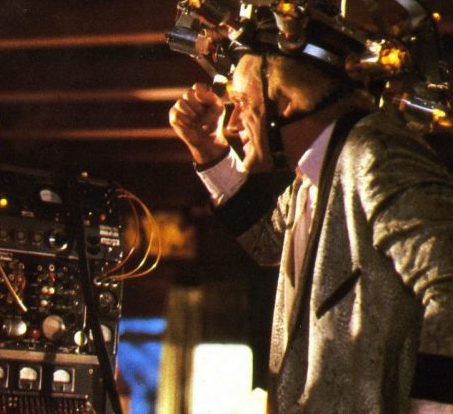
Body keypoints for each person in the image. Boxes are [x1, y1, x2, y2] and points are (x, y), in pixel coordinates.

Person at [169, 48, 453, 411]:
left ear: (284, 102)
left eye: (240, 103)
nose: (232, 125)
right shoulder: (313, 177)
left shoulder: (373, 154)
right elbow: (267, 241)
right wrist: (210, 149)